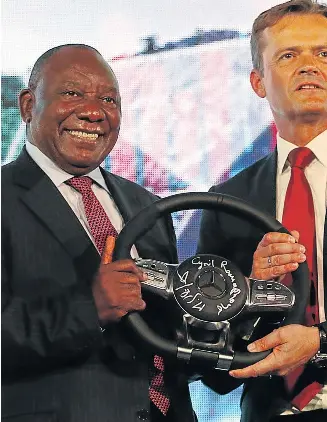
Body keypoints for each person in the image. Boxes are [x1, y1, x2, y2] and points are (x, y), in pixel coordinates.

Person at [2, 44, 197, 422]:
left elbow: (168, 342)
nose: (94, 112)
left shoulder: (147, 204)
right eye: (72, 93)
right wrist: (89, 309)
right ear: (28, 106)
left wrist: (232, 301)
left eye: (109, 99)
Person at [197, 1, 327, 421]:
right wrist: (250, 291)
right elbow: (212, 370)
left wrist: (324, 341)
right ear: (258, 82)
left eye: (323, 54)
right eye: (289, 55)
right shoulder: (226, 202)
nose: (309, 66)